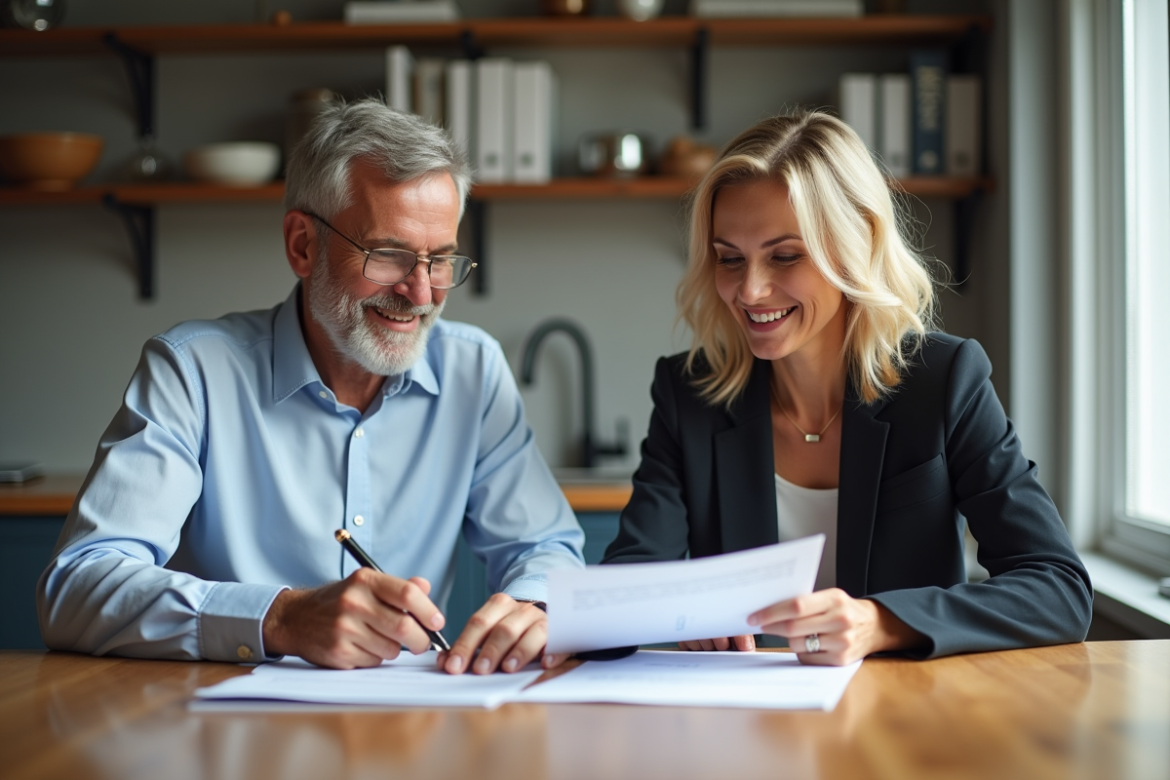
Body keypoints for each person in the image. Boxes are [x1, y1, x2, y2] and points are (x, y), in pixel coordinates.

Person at [37, 98, 585, 674]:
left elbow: (543, 548)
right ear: (303, 245)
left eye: (441, 260)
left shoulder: (473, 372)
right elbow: (76, 588)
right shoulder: (192, 372)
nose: (422, 295)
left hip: (417, 731)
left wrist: (536, 603)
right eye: (389, 255)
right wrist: (280, 618)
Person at [601, 112, 1092, 665]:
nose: (751, 290)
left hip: (906, 716)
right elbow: (631, 583)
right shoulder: (689, 392)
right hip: (745, 722)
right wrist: (672, 607)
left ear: (856, 244)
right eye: (729, 259)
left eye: (785, 256)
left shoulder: (944, 379)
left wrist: (881, 622)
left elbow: (1057, 589)